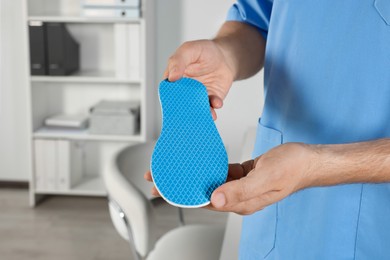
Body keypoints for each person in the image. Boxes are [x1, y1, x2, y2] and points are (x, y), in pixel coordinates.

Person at [145, 0, 390, 258]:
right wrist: (225, 54)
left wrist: (315, 166)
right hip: (273, 200)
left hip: (375, 230)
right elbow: (257, 20)